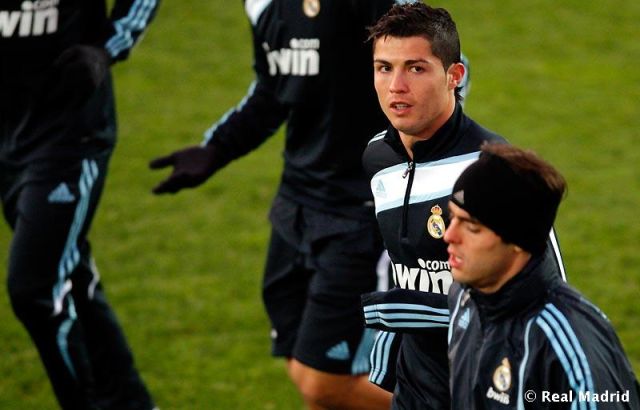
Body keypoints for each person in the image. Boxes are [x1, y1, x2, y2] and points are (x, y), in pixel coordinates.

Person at [359, 3, 567, 409]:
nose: (396, 86)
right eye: (384, 68)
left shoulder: (492, 168)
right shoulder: (377, 158)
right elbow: (408, 268)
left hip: (486, 390)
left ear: (454, 76)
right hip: (415, 392)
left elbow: (547, 298)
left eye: (416, 68)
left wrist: (429, 313)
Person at [0, 1, 160, 409]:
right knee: (69, 271)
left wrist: (107, 48)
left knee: (34, 288)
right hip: (11, 132)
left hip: (70, 135)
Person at [446, 143, 640, 409]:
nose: (449, 235)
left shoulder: (569, 344)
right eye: (452, 217)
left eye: (471, 227)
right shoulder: (465, 298)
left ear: (517, 240)